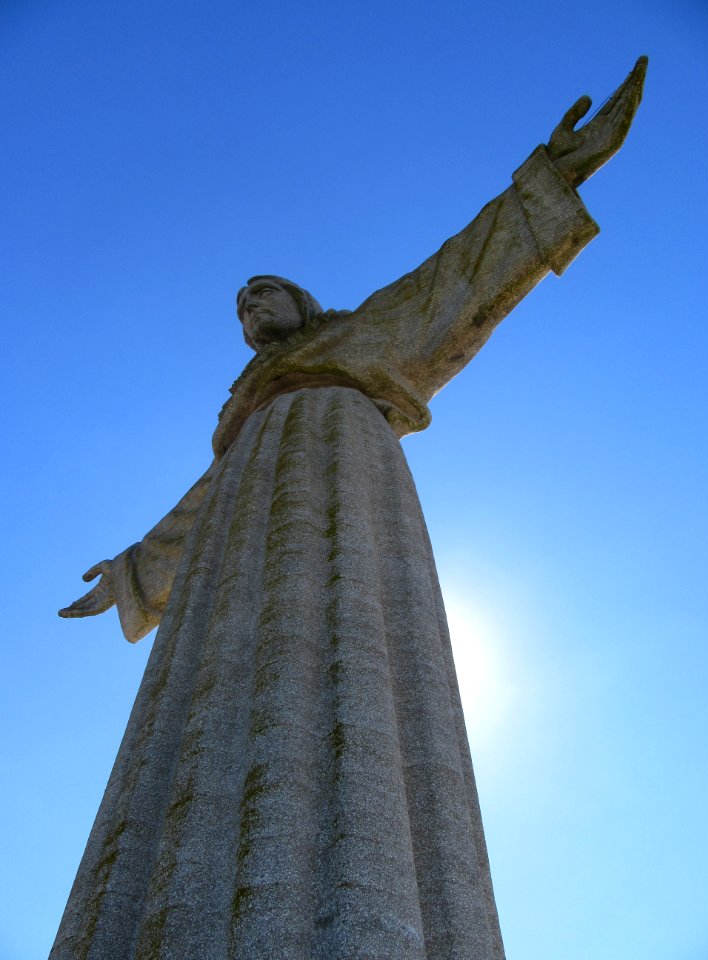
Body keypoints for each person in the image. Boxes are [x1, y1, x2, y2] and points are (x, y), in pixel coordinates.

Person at [54, 59, 647, 960]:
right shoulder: (243, 422)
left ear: (302, 301)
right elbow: (201, 506)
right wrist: (138, 568)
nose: (252, 306)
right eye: (241, 303)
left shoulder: (358, 340)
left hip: (347, 462)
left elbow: (456, 277)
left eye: (265, 291)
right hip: (247, 519)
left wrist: (550, 180)